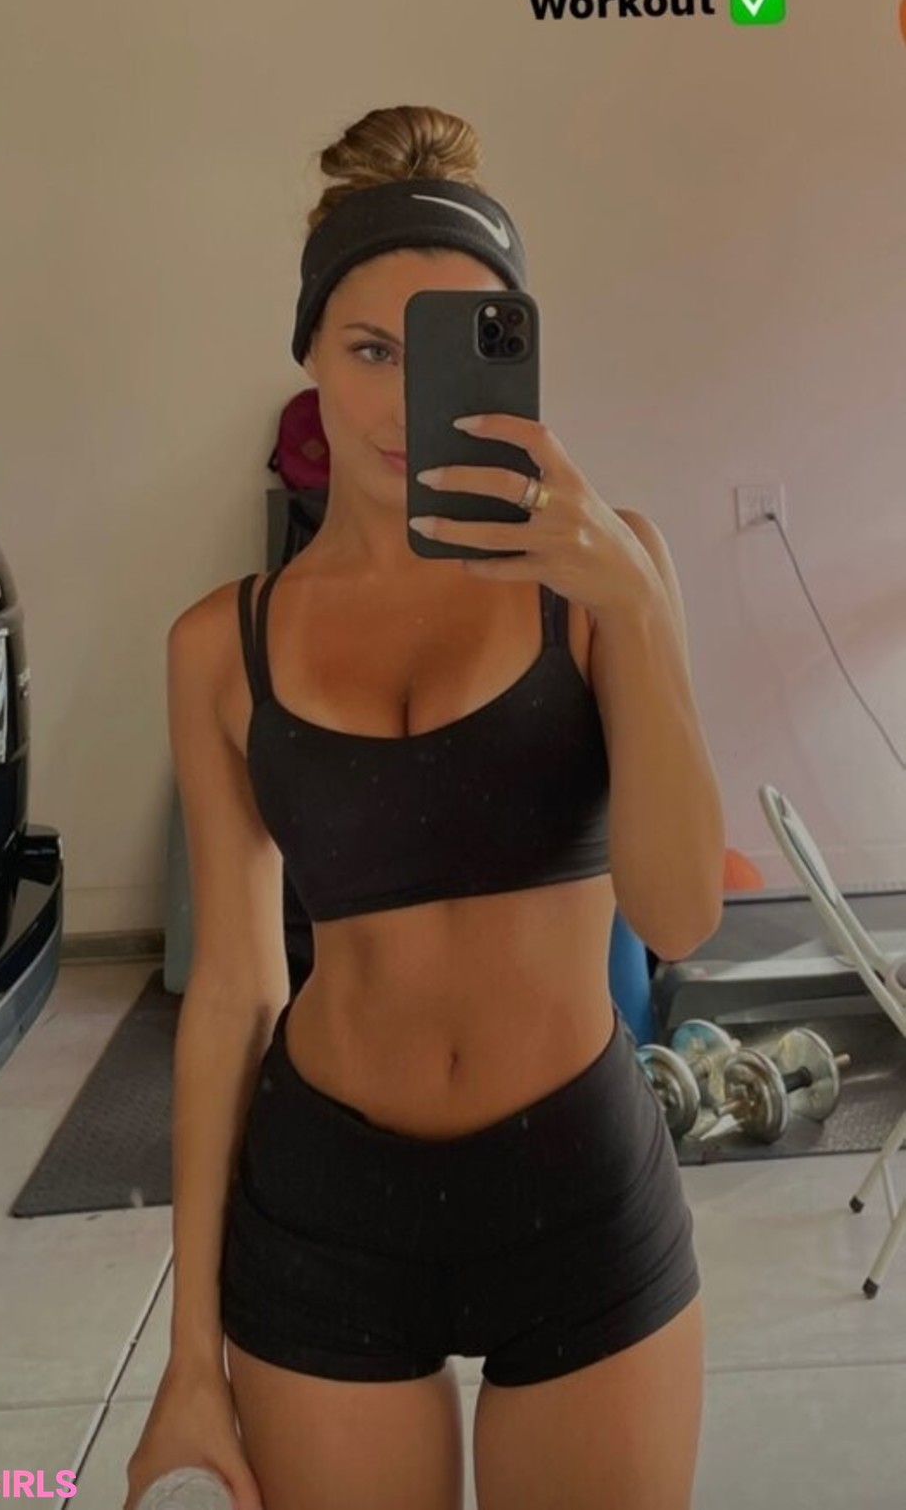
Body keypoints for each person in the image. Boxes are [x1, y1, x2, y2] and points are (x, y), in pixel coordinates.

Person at [125, 105, 725, 1510]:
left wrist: (635, 607)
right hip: (324, 1209)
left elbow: (681, 910)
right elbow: (233, 993)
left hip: (579, 1186)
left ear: (510, 354)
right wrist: (189, 1353)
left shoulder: (607, 578)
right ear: (308, 359)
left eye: (448, 347)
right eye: (368, 350)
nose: (403, 402)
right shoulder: (221, 644)